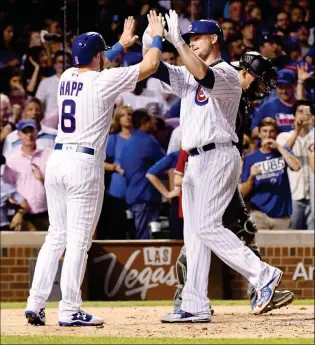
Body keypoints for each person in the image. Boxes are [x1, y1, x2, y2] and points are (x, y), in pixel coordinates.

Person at [24, 12, 165, 327]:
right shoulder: (103, 79)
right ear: (98, 56)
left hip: (58, 161)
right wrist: (156, 35)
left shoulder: (67, 77)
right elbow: (151, 65)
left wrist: (119, 45)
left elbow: (95, 61)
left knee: (55, 235)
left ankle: (35, 302)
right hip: (83, 164)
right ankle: (70, 308)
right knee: (77, 240)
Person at [143, 11, 284, 323]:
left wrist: (177, 41)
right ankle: (194, 304)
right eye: (189, 38)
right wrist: (151, 38)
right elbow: (157, 70)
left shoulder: (228, 74)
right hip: (194, 160)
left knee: (207, 226)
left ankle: (263, 275)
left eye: (197, 38)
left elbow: (202, 74)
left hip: (218, 155)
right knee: (194, 235)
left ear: (214, 39)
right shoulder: (189, 73)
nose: (192, 43)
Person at [172, 52, 295, 314]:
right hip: (206, 164)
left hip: (219, 166)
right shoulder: (225, 81)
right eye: (259, 81)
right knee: (200, 231)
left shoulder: (237, 92)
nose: (261, 89)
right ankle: (189, 298)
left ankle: (260, 284)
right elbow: (197, 127)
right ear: (246, 72)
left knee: (217, 229)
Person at [240, 117, 301, 230]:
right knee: (259, 247)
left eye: (272, 131)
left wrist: (278, 146)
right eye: (265, 131)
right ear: (259, 133)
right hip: (258, 214)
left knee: (283, 248)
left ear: (276, 134)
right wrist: (251, 177)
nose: (268, 135)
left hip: (282, 216)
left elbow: (296, 167)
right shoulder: (250, 158)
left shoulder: (282, 153)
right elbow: (243, 192)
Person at [120, 109, 165, 239]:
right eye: (152, 119)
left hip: (134, 196)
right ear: (145, 123)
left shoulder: (129, 142)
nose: (154, 122)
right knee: (146, 240)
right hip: (145, 197)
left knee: (140, 235)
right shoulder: (148, 140)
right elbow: (166, 162)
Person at [276, 100, 314, 230]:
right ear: (294, 116)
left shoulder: (313, 135)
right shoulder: (284, 136)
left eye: (306, 112)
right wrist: (297, 132)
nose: (303, 115)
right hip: (294, 195)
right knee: (293, 237)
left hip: (313, 196)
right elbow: (283, 155)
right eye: (300, 112)